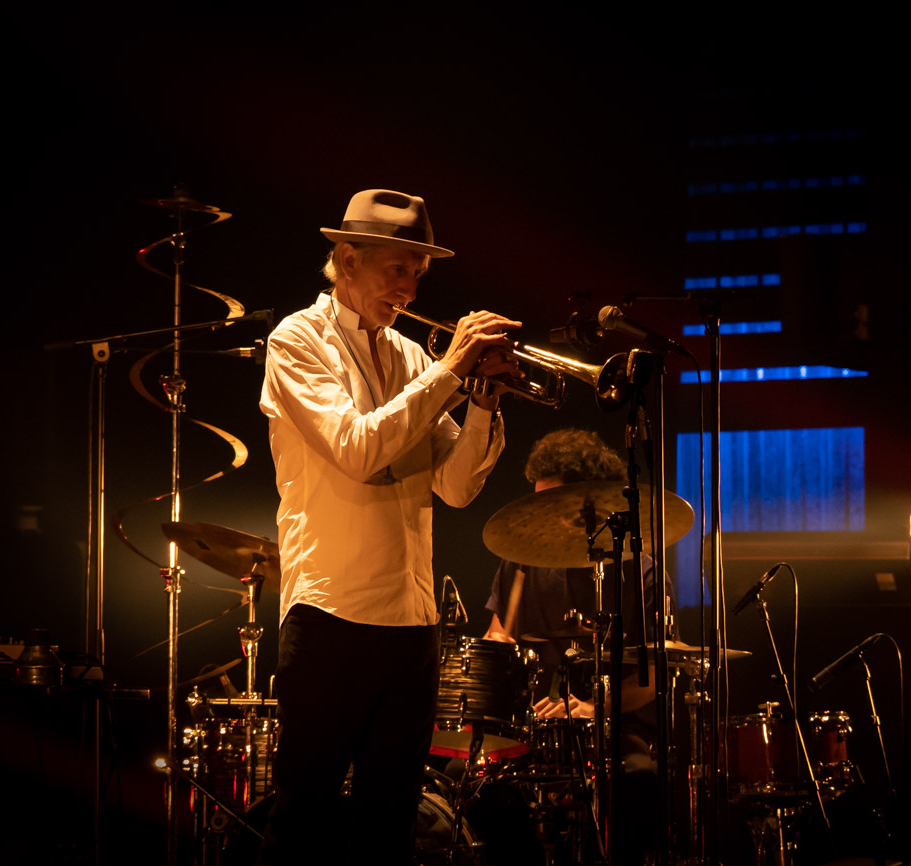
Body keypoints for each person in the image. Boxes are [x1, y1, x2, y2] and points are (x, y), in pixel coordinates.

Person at [257, 189, 520, 864]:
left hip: (412, 622)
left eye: (417, 273)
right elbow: (358, 449)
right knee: (304, 825)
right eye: (396, 268)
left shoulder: (409, 358)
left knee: (390, 829)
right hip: (331, 614)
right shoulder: (296, 341)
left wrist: (484, 401)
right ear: (347, 260)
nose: (409, 288)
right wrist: (451, 369)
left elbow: (455, 487)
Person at [482, 428, 671, 863]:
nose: (538, 515)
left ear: (589, 506)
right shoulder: (520, 562)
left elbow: (655, 676)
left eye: (550, 503)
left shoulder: (640, 572)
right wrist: (487, 658)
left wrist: (593, 708)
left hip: (619, 728)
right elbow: (498, 636)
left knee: (638, 777)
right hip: (535, 727)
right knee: (474, 782)